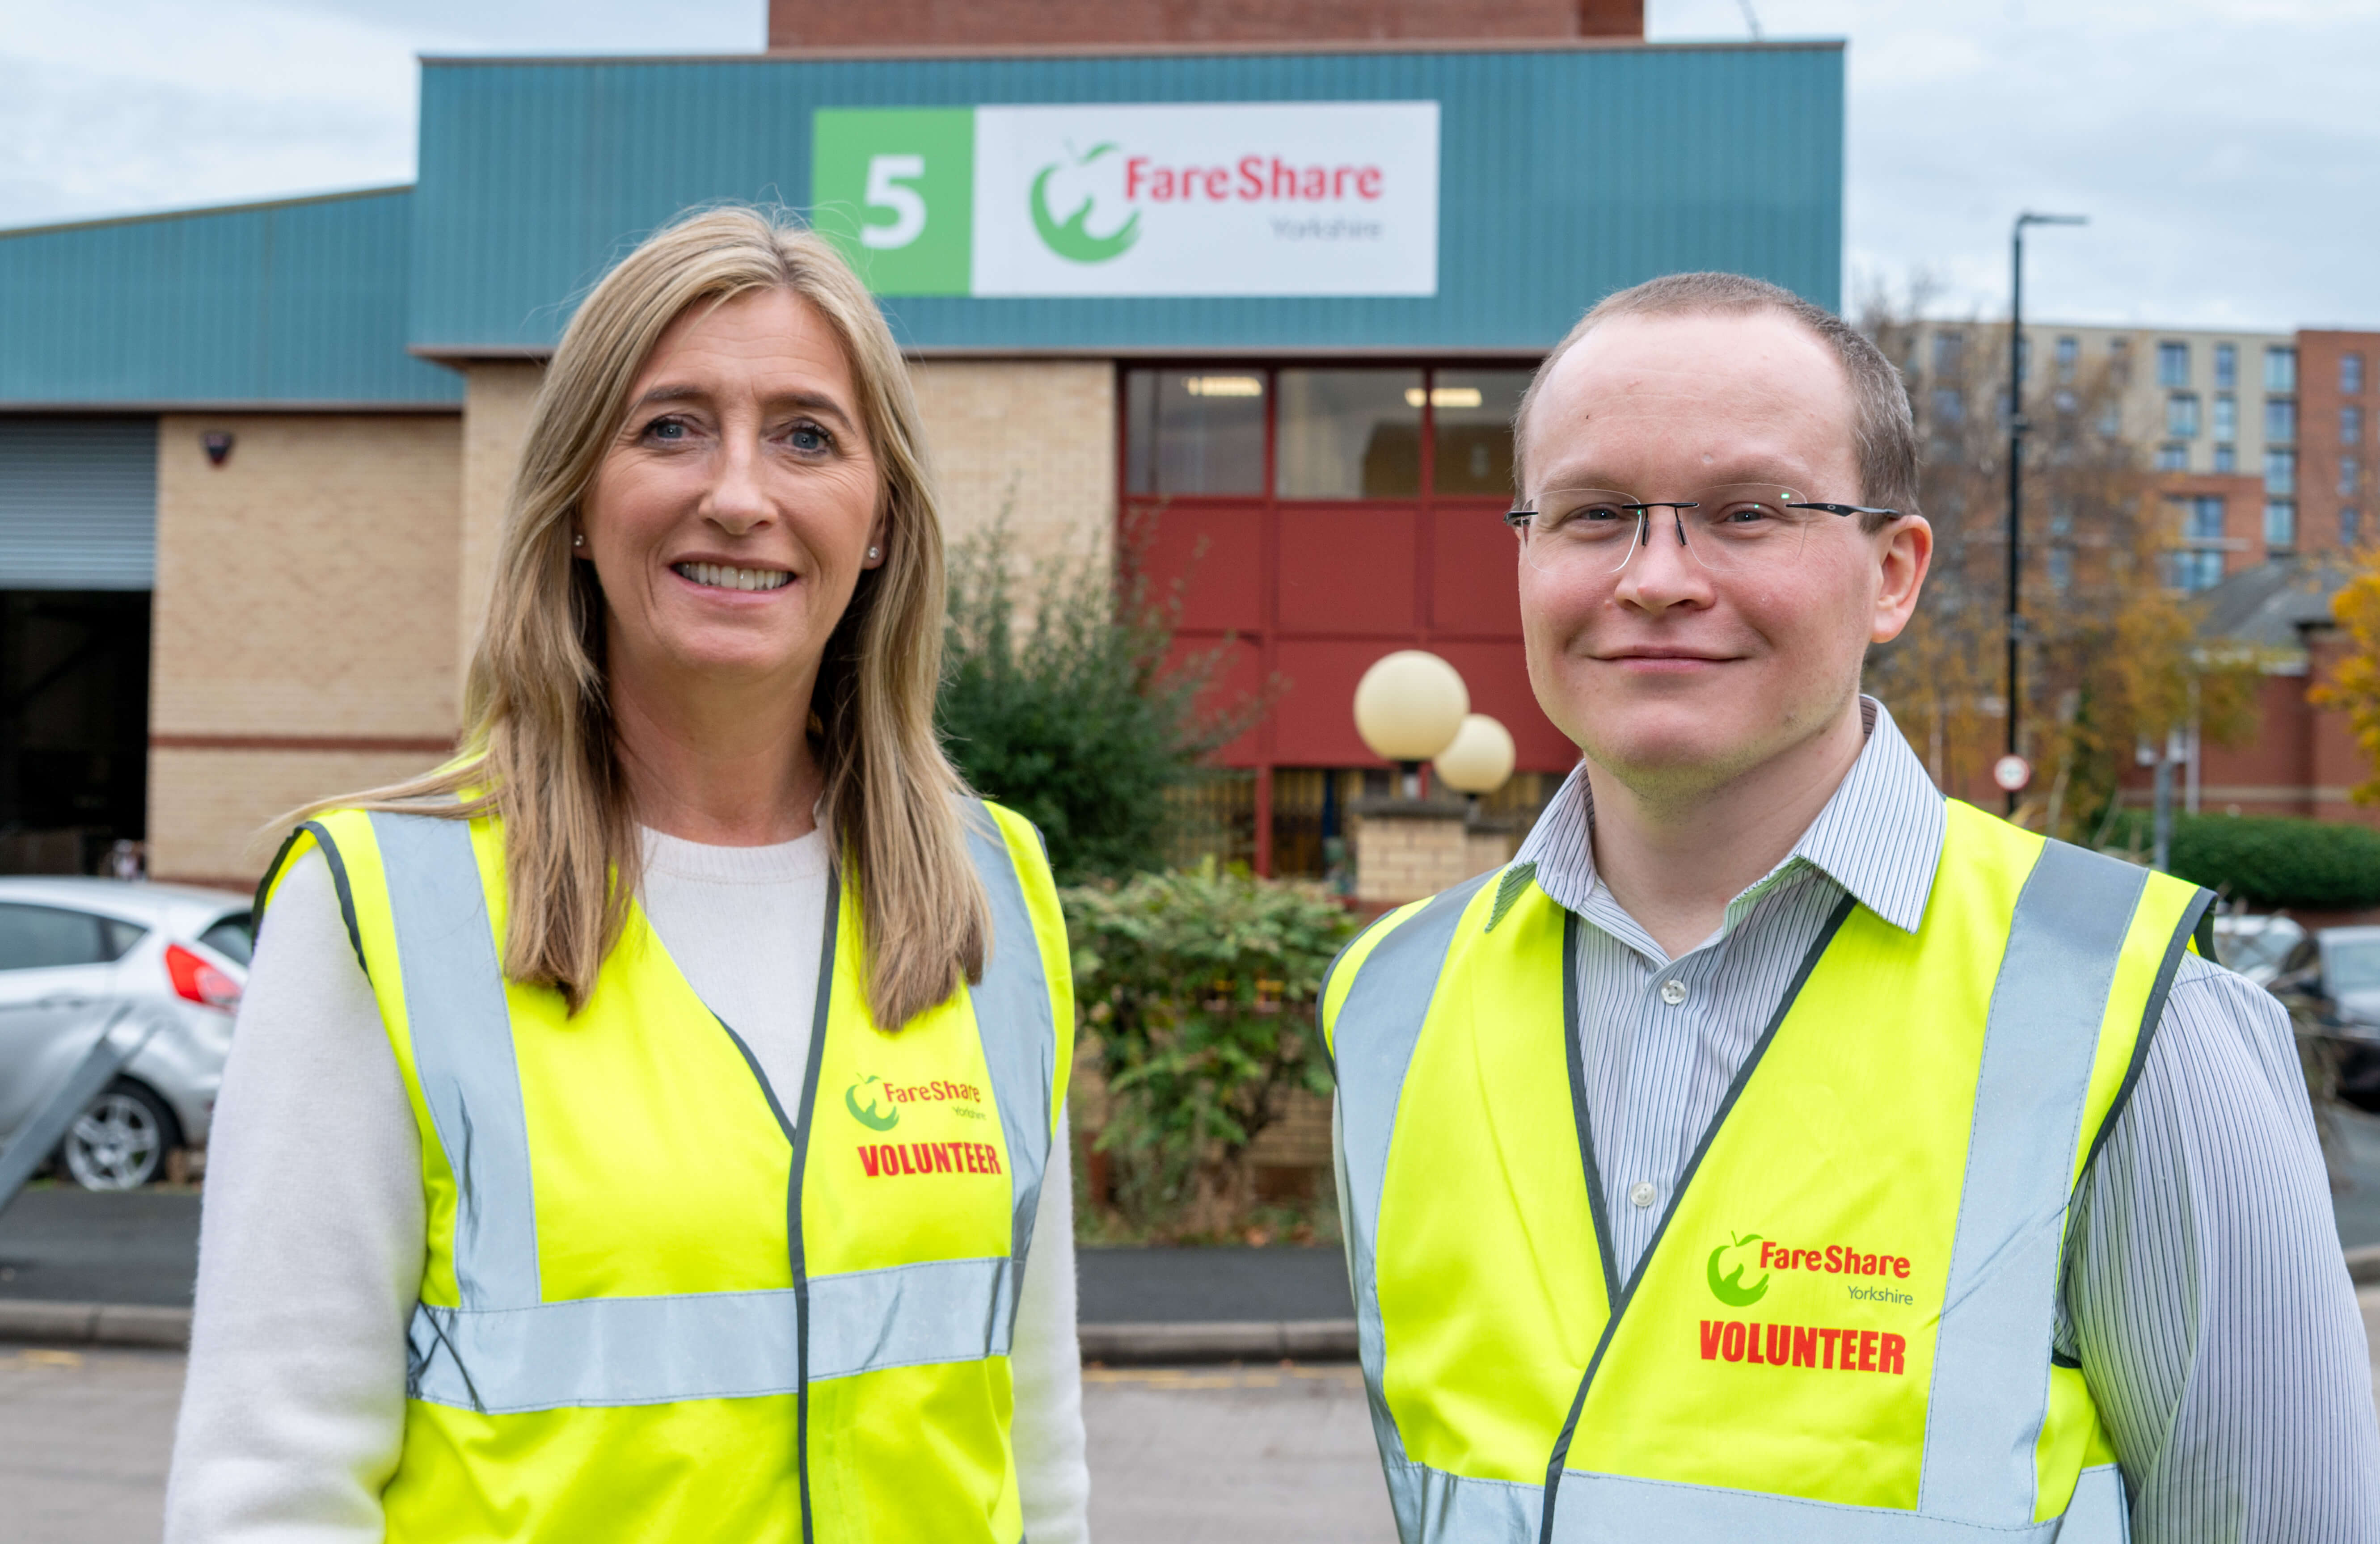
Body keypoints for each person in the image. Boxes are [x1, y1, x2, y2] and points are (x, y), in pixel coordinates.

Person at [1324, 273, 2380, 1541]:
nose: (1655, 577)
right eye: (1594, 514)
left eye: (1745, 513)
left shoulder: (2134, 1016)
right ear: (1527, 555)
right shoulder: (1390, 1001)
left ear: (1892, 574)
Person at [164, 206, 1089, 1542]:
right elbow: (269, 1492)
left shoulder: (992, 888)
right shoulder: (381, 903)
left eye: (806, 435)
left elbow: (1039, 1455)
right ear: (578, 507)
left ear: (880, 522)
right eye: (669, 426)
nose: (738, 492)